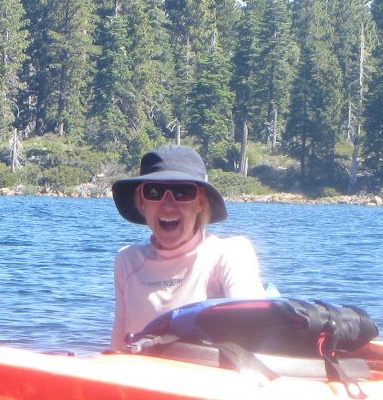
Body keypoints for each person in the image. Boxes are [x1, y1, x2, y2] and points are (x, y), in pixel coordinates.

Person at [109, 145, 267, 351]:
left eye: (182, 192)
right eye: (154, 192)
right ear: (142, 202)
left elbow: (256, 333)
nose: (167, 204)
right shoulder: (127, 260)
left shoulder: (229, 254)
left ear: (201, 202)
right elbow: (117, 348)